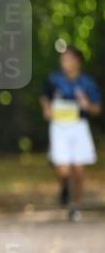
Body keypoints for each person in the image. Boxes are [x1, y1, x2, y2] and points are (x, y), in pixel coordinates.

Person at [40, 45, 101, 221]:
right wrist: (46, 109)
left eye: (68, 59)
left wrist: (87, 105)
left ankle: (75, 206)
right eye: (63, 59)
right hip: (59, 126)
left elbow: (97, 108)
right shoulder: (54, 80)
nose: (64, 62)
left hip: (78, 126)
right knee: (63, 168)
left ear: (78, 62)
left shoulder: (87, 83)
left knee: (79, 169)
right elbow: (44, 98)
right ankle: (65, 186)